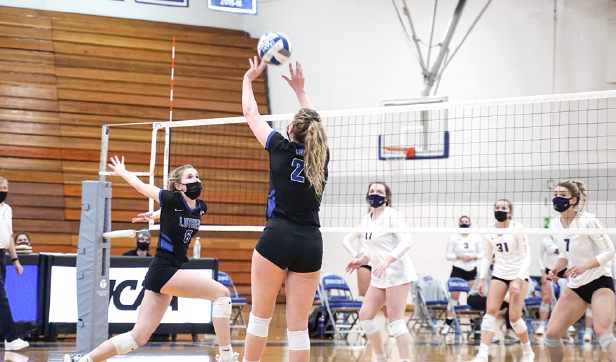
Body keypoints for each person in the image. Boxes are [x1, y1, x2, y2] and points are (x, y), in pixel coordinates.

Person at [63, 161, 236, 362]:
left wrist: (153, 215)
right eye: (189, 177)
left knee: (138, 337)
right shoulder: (171, 199)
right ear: (178, 186)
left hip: (165, 272)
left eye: (197, 176)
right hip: (163, 269)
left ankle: (82, 360)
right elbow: (141, 187)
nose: (196, 180)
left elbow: (173, 213)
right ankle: (227, 357)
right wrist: (123, 171)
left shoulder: (200, 207)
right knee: (222, 295)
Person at [241, 59, 329, 362]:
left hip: (278, 236)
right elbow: (314, 121)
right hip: (310, 243)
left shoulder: (279, 145)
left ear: (290, 128)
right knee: (298, 329)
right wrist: (301, 91)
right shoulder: (321, 157)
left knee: (260, 317)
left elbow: (250, 113)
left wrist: (248, 79)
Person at [544, 180, 616, 362]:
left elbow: (610, 251)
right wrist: (557, 268)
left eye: (562, 195)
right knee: (551, 336)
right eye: (555, 195)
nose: (557, 198)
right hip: (576, 285)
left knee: (604, 335)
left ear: (574, 200)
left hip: (599, 281)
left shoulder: (588, 221)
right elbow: (565, 253)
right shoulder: (553, 225)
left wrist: (585, 266)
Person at [346, 181, 417, 362]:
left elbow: (407, 241)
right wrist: (361, 260)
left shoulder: (393, 215)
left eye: (379, 191)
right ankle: (380, 358)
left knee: (395, 321)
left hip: (398, 273)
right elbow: (372, 250)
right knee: (366, 317)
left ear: (386, 198)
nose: (375, 193)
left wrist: (387, 260)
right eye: (372, 190)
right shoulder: (366, 219)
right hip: (380, 275)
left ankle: (404, 360)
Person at [468, 199, 534, 362]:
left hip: (518, 273)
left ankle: (527, 351)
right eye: (497, 207)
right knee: (490, 312)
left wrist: (518, 280)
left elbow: (527, 258)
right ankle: (482, 354)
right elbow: (487, 255)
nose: (499, 210)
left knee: (514, 318)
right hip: (499, 273)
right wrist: (482, 278)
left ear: (510, 212)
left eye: (503, 208)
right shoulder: (489, 230)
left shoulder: (517, 229)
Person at [0, 177, 29, 351]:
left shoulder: (7, 209)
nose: (3, 190)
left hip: (1, 255)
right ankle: (11, 338)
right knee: (1, 297)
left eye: (5, 187)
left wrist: (15, 260)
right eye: (0, 187)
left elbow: (9, 236)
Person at [442, 216, 482, 335]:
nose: (464, 223)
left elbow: (482, 254)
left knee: (472, 298)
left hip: (471, 270)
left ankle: (474, 325)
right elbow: (448, 255)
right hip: (458, 269)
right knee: (454, 297)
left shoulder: (476, 237)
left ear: (470, 223)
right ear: (459, 223)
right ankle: (448, 323)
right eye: (462, 222)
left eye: (466, 222)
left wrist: (474, 257)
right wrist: (459, 256)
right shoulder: (454, 237)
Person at [467, 255, 518, 343]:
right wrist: (502, 297)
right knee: (490, 302)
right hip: (476, 297)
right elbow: (485, 292)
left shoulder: (503, 274)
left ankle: (509, 332)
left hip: (494, 298)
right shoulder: (485, 272)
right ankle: (488, 333)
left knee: (512, 302)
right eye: (494, 261)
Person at [535, 234, 560, 336]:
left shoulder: (566, 239)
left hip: (564, 273)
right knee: (546, 298)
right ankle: (542, 325)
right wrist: (543, 273)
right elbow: (539, 257)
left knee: (565, 300)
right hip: (549, 271)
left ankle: (566, 325)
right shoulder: (545, 241)